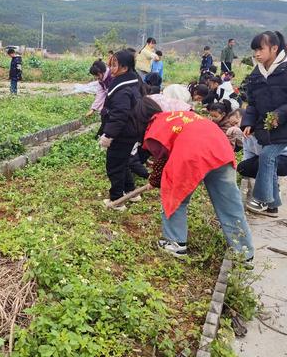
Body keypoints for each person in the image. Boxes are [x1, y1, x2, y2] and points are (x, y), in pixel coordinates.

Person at [135, 97, 254, 261]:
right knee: (230, 204)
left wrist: (155, 181)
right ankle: (244, 253)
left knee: (175, 196)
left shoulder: (155, 126)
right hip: (221, 149)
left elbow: (161, 159)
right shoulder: (177, 115)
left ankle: (175, 243)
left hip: (193, 154)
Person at [242, 31, 287, 216]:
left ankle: (261, 199)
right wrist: (248, 122)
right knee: (270, 161)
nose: (257, 54)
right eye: (255, 50)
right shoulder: (255, 74)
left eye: (261, 49)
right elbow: (252, 103)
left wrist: (279, 115)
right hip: (266, 128)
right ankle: (273, 205)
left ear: (274, 48)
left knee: (267, 157)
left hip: (284, 127)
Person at [98, 50, 143, 210]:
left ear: (124, 68)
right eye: (110, 63)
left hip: (123, 134)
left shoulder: (123, 89)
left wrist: (109, 135)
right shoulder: (131, 81)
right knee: (123, 163)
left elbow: (119, 115)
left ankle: (117, 200)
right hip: (130, 132)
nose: (111, 67)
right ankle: (131, 192)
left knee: (115, 165)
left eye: (114, 64)